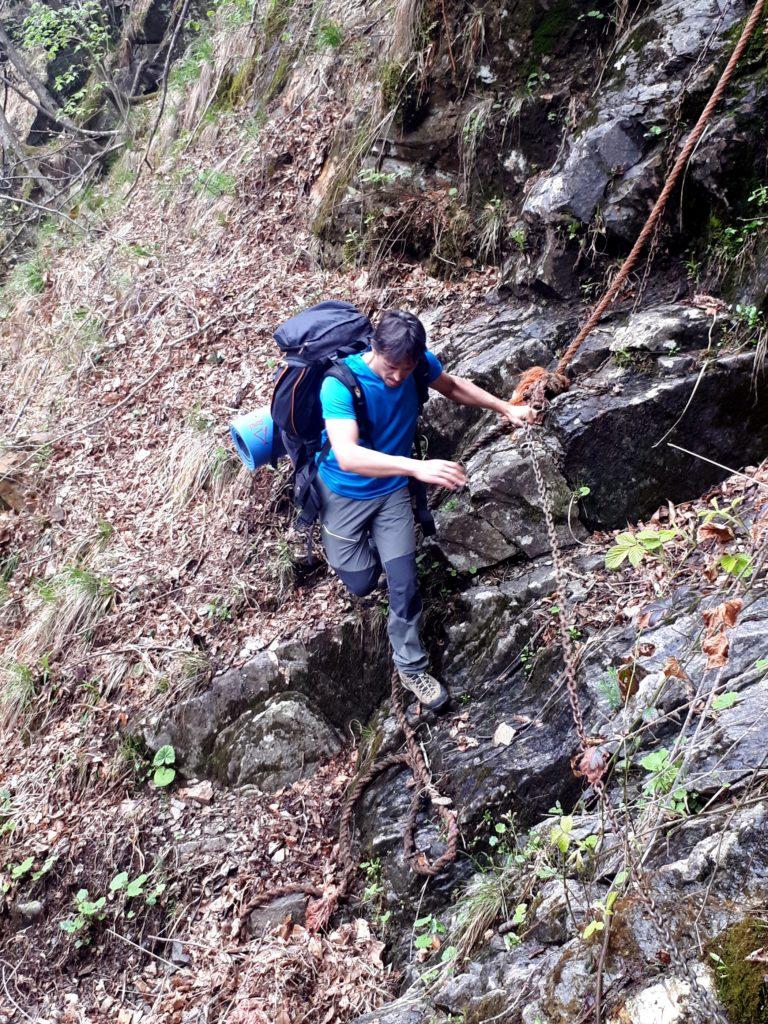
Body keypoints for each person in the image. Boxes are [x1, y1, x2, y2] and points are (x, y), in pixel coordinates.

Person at [318, 310, 537, 710]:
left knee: (403, 583)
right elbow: (347, 455)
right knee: (363, 584)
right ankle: (354, 555)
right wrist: (418, 467)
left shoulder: (418, 366)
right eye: (391, 366)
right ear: (374, 348)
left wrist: (506, 408)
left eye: (408, 368)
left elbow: (452, 386)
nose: (399, 377)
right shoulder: (339, 384)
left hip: (392, 493)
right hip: (343, 494)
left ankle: (411, 666)